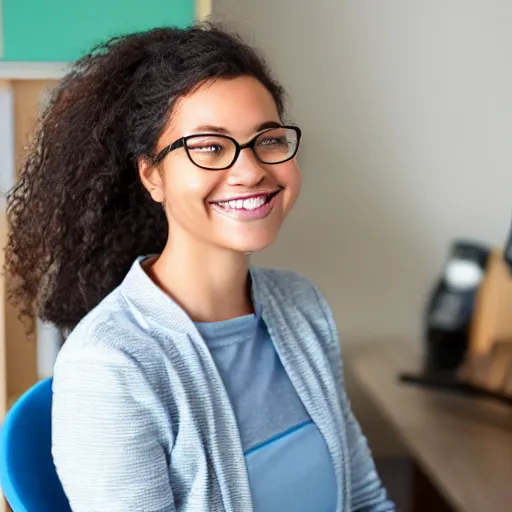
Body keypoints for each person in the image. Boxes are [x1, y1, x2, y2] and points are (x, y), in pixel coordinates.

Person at [5, 23, 394, 512]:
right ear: (152, 176)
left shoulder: (302, 306)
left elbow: (363, 499)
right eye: (209, 147)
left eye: (268, 140)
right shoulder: (108, 366)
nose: (251, 170)